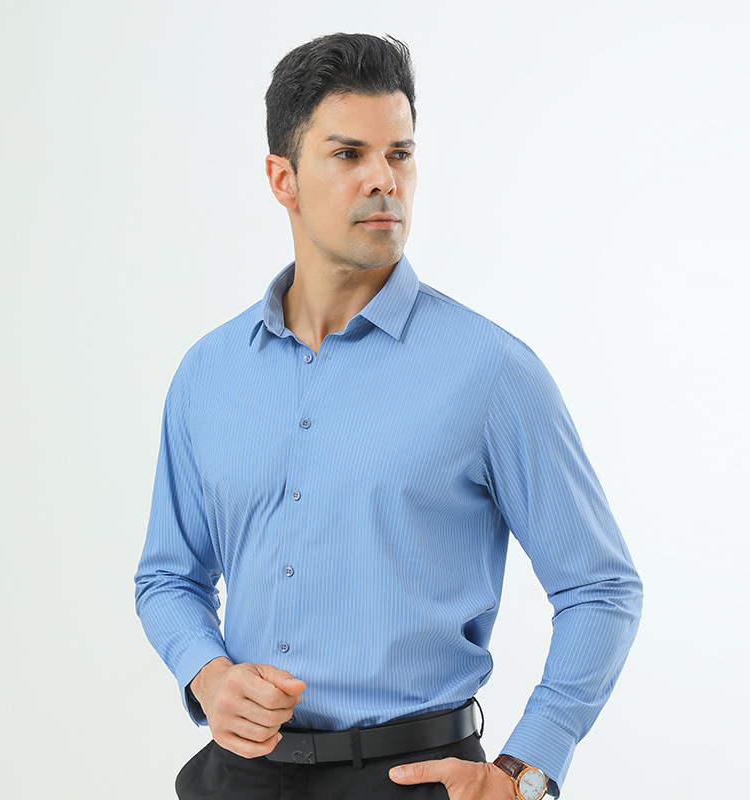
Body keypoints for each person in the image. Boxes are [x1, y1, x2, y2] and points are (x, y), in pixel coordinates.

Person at [135, 33, 642, 800]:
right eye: (349, 154)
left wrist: (526, 771)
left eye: (399, 154)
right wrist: (205, 673)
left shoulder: (490, 370)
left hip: (412, 779)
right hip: (237, 779)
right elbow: (170, 576)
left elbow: (600, 588)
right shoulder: (208, 374)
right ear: (283, 179)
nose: (384, 179)